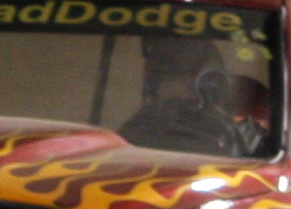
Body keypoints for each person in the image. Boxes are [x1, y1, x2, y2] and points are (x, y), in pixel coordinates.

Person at [114, 33, 275, 157]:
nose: (188, 90)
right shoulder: (141, 130)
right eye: (176, 75)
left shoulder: (250, 137)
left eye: (191, 74)